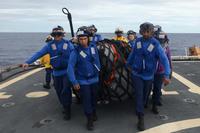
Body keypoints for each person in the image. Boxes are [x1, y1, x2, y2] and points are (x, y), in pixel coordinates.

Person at [22, 26, 74, 120]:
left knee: (65, 90)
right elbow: (39, 53)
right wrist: (27, 62)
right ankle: (64, 105)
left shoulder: (68, 44)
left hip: (67, 71)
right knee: (58, 90)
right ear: (53, 35)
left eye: (59, 34)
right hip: (56, 72)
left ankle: (68, 109)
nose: (57, 36)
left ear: (62, 35)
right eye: (55, 35)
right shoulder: (49, 45)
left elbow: (75, 54)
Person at [126, 22, 171, 131]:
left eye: (148, 32)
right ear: (140, 32)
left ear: (151, 32)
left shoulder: (155, 44)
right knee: (139, 95)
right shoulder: (138, 41)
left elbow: (164, 59)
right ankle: (140, 118)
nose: (145, 34)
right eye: (143, 32)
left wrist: (166, 74)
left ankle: (141, 107)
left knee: (145, 94)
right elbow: (133, 54)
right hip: (137, 74)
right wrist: (128, 64)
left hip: (149, 76)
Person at [67, 27, 101, 131]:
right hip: (83, 81)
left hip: (94, 79)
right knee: (86, 100)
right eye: (80, 39)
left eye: (85, 38)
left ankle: (94, 111)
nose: (83, 41)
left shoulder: (93, 47)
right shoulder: (75, 52)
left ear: (88, 39)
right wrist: (74, 81)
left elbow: (97, 61)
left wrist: (98, 72)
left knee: (94, 98)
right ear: (78, 39)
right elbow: (70, 68)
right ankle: (89, 119)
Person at [151, 31, 172, 114]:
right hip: (150, 71)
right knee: (147, 87)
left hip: (160, 72)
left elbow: (168, 60)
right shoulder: (152, 46)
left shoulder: (166, 48)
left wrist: (169, 72)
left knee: (157, 88)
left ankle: (154, 105)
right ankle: (145, 101)